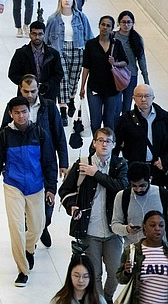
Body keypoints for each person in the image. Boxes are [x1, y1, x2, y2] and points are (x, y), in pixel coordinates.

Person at [0, 96, 57, 287]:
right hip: (13, 186)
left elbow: (50, 162)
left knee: (37, 227)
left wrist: (51, 188)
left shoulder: (40, 134)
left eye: (24, 111)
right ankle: (23, 270)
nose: (21, 115)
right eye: (16, 112)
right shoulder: (5, 136)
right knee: (16, 228)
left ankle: (28, 249)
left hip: (36, 186)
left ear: (29, 111)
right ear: (10, 114)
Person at [59, 126, 128, 301]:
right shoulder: (82, 163)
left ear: (113, 145)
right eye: (100, 140)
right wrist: (72, 207)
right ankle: (98, 301)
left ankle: (107, 297)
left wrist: (96, 174)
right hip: (89, 230)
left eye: (108, 141)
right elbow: (65, 190)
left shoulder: (120, 165)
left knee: (115, 272)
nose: (104, 144)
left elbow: (121, 187)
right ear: (94, 143)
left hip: (113, 230)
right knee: (94, 274)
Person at [45, 0, 96, 125]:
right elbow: (46, 39)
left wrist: (91, 53)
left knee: (74, 78)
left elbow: (89, 36)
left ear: (73, 1)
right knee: (63, 79)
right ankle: (63, 110)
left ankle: (71, 100)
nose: (67, 0)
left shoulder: (80, 17)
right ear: (60, 1)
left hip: (77, 49)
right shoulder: (53, 19)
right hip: (59, 50)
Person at [80, 16, 128, 133]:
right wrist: (82, 87)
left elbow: (125, 62)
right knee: (95, 121)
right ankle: (96, 145)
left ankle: (109, 146)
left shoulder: (116, 44)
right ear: (99, 25)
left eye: (108, 26)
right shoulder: (91, 44)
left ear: (112, 28)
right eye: (103, 24)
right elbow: (86, 66)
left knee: (109, 120)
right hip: (94, 87)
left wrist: (115, 63)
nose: (105, 28)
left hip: (112, 88)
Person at [113, 85, 168, 187]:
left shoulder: (164, 118)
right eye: (139, 96)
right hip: (134, 171)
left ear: (153, 98)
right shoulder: (125, 120)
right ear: (134, 98)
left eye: (147, 96)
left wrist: (164, 160)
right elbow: (115, 145)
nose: (143, 99)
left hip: (158, 170)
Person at [116, 210, 168, 303]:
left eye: (161, 225)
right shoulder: (132, 251)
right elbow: (120, 279)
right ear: (144, 227)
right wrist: (126, 271)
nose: (157, 229)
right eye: (152, 225)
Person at [111, 162, 168, 246]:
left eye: (142, 185)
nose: (138, 189)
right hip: (133, 251)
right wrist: (126, 229)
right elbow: (115, 225)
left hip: (159, 250)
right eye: (134, 186)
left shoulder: (163, 194)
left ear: (150, 179)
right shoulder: (122, 196)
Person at [8, 21, 64, 103]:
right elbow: (13, 74)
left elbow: (58, 74)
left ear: (44, 35)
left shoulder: (53, 54)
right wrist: (27, 84)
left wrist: (48, 85)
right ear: (30, 34)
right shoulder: (21, 53)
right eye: (34, 34)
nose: (37, 37)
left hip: (48, 94)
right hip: (26, 94)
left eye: (40, 34)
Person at [113, 11, 150, 113]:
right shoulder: (113, 36)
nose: (126, 25)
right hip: (115, 75)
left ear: (133, 23)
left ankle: (125, 127)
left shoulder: (137, 38)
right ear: (119, 23)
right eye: (123, 22)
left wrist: (146, 79)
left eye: (129, 22)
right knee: (115, 105)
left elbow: (142, 59)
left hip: (131, 75)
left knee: (127, 105)